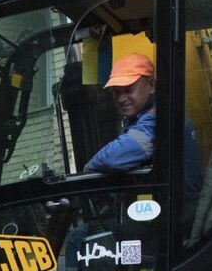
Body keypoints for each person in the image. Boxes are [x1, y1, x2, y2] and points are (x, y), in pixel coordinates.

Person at [84, 51, 204, 194]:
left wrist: (88, 170)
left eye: (128, 90)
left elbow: (115, 156)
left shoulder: (159, 116)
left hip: (184, 207)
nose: (121, 99)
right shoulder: (139, 115)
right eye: (117, 92)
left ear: (151, 84)